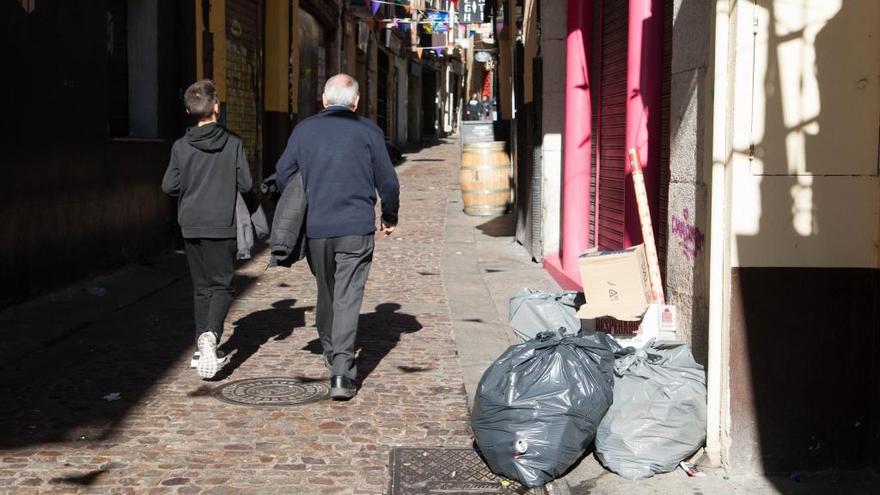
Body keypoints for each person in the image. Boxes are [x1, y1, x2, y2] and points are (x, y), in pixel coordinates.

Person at [275, 74, 400, 400]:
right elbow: (388, 181)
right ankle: (341, 371)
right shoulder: (369, 131)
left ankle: (334, 355)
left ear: (324, 100)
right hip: (356, 228)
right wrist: (389, 215)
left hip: (317, 228)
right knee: (346, 297)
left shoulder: (304, 130)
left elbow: (283, 173)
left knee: (328, 292)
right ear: (356, 102)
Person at [161, 79, 253, 380]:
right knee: (222, 285)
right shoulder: (233, 143)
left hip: (191, 224)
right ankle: (211, 336)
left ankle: (201, 346)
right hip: (221, 224)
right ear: (216, 107)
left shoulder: (181, 146)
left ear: (190, 110)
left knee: (201, 287)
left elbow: (169, 186)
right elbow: (247, 185)